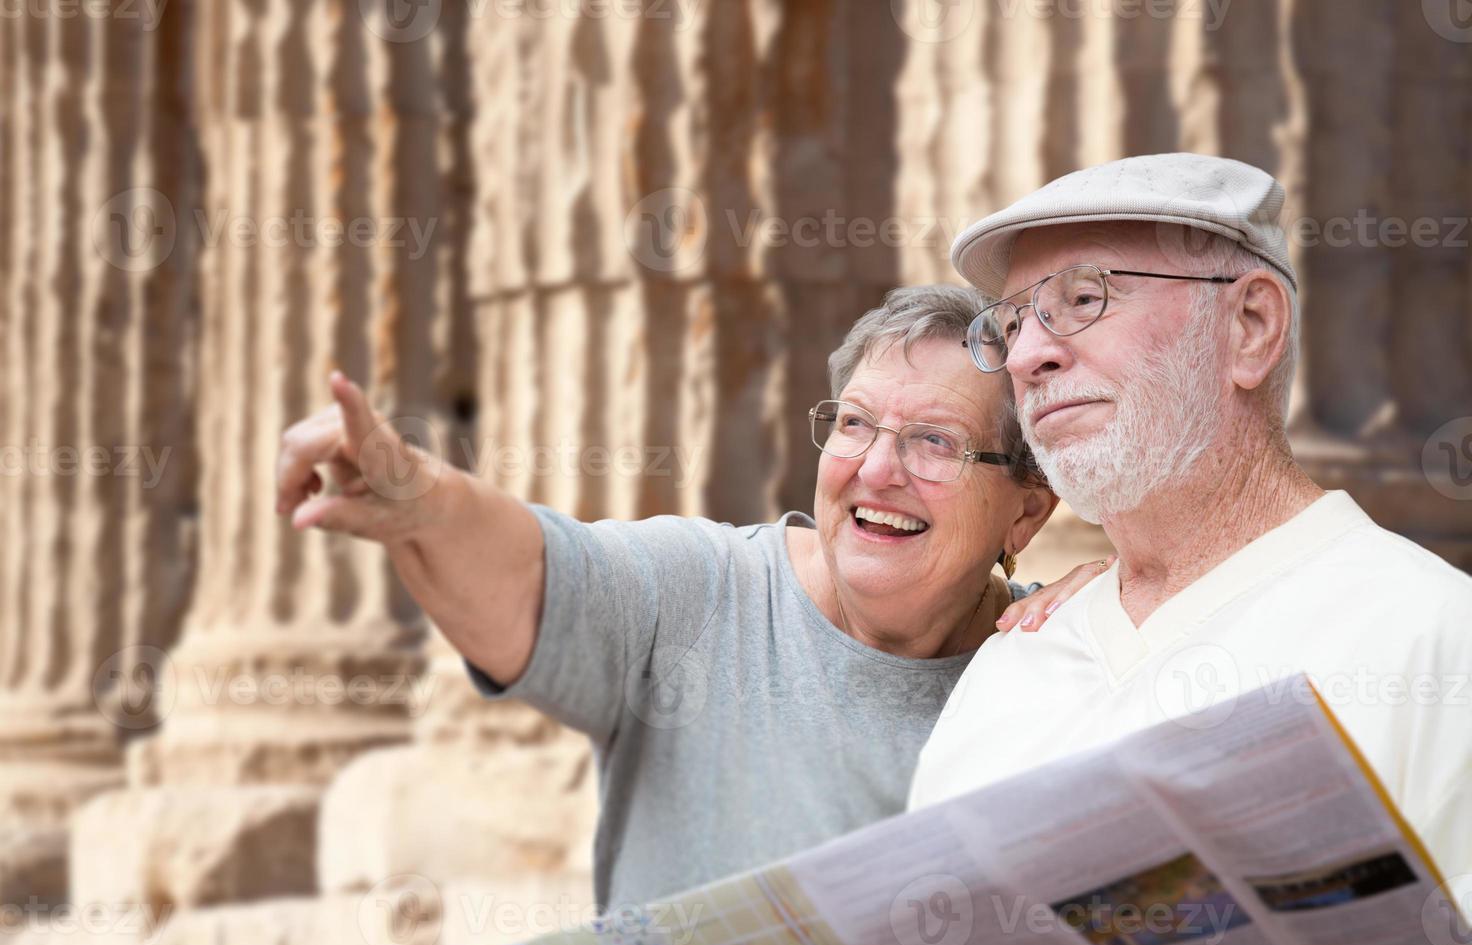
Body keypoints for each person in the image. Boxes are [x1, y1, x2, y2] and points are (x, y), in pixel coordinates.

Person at [274, 285, 1108, 908]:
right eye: (854, 424)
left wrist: (1132, 593)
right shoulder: (701, 592)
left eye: (935, 441)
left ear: (1028, 510)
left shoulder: (1056, 656)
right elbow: (533, 582)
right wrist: (426, 505)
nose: (877, 469)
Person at [908, 154, 1472, 906]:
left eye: (1082, 297)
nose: (1025, 355)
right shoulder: (1013, 663)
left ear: (1250, 327)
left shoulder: (1434, 638)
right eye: (1011, 323)